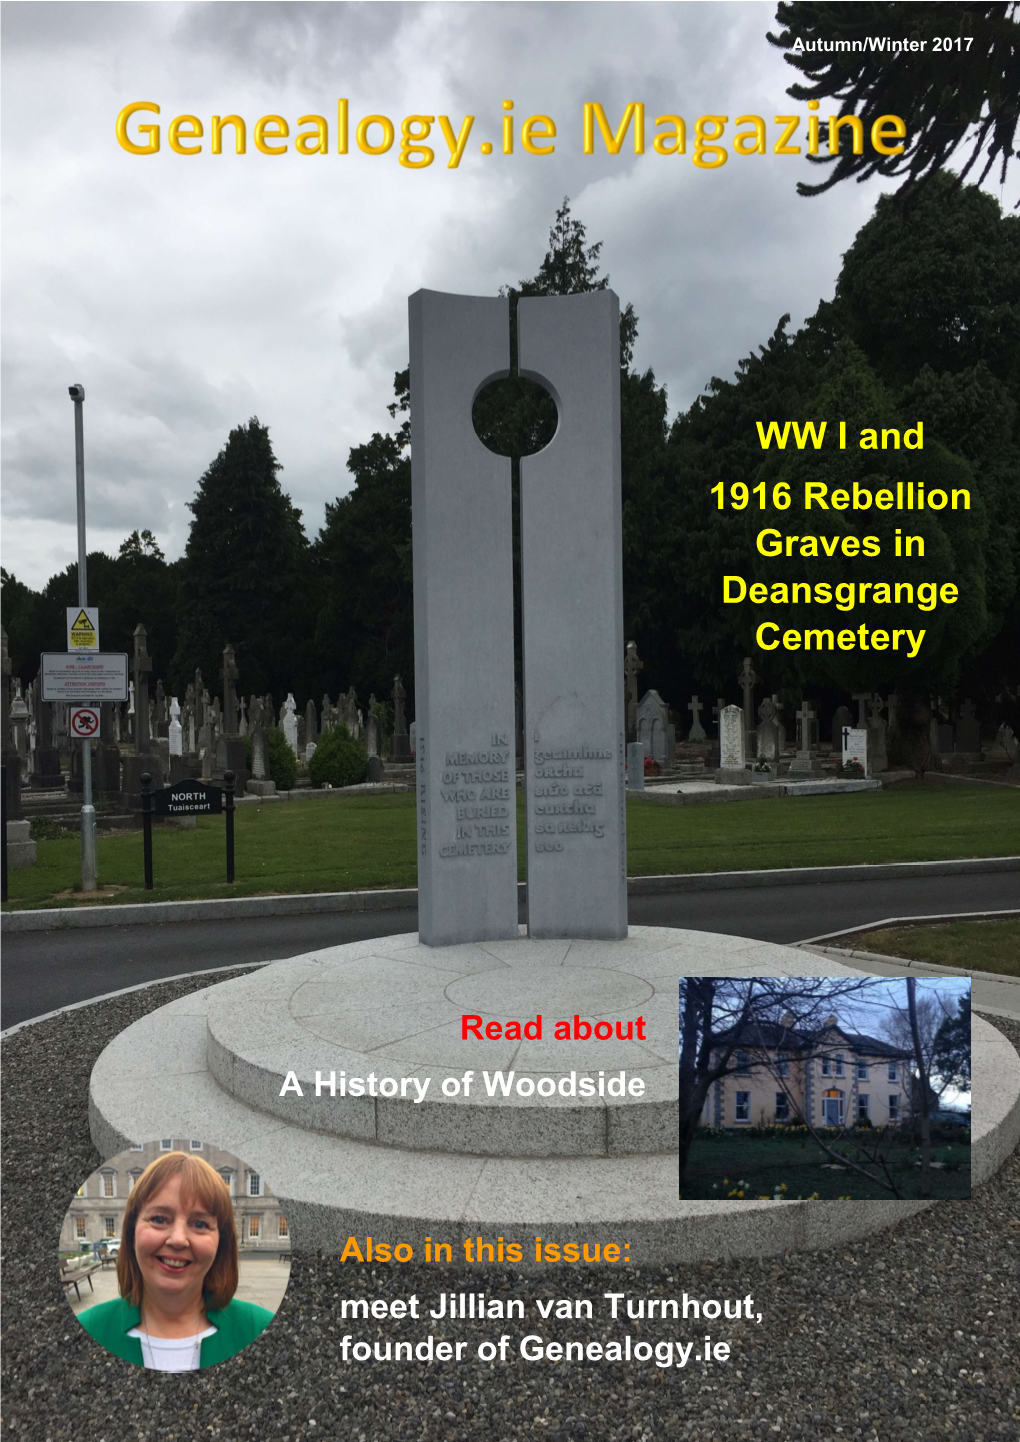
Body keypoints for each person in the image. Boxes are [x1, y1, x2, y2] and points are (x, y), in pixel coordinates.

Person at [78, 1151, 274, 1370]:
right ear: (132, 1232)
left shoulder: (260, 1327)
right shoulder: (89, 1327)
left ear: (222, 1242)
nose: (179, 1240)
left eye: (200, 1224)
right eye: (159, 1219)